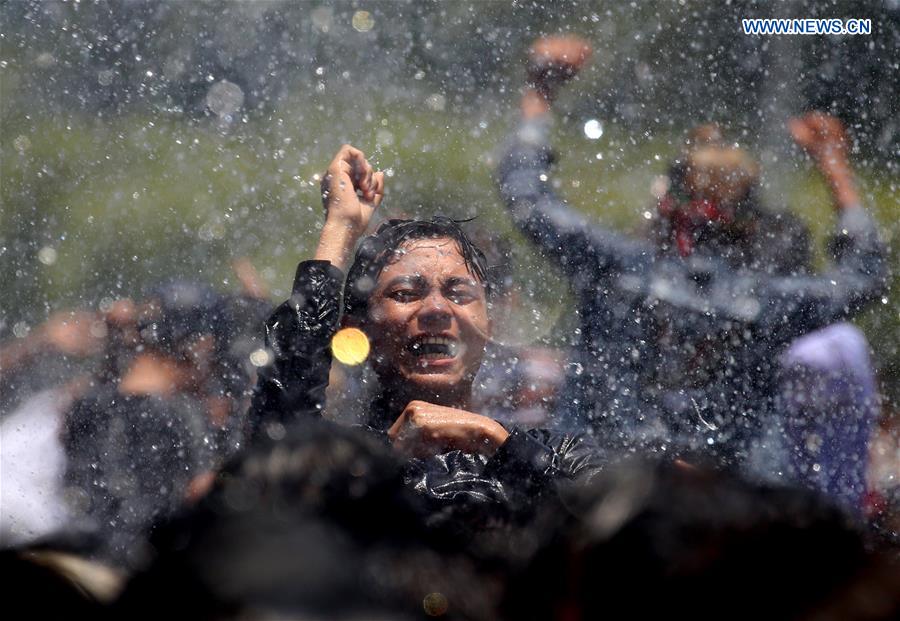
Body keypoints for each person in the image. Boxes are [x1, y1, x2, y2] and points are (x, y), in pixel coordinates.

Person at [497, 36, 888, 506]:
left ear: (665, 206)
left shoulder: (616, 268)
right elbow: (864, 275)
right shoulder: (770, 302)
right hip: (725, 512)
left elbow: (529, 200)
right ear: (750, 224)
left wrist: (540, 94)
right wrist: (834, 167)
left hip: (600, 495)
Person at [249, 144, 605, 534]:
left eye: (459, 293)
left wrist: (494, 441)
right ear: (359, 329)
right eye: (405, 293)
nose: (437, 309)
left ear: (490, 323)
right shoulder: (337, 469)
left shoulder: (559, 455)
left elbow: (612, 534)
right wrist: (339, 230)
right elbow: (271, 459)